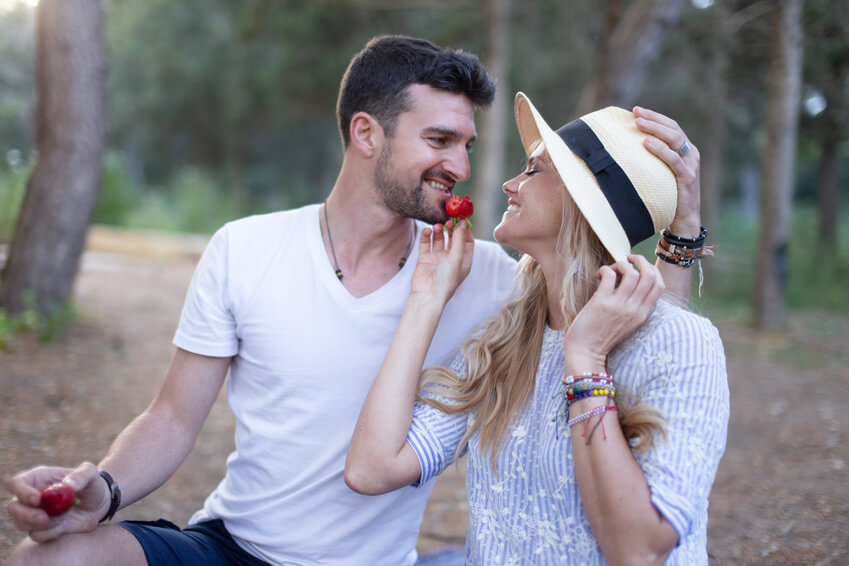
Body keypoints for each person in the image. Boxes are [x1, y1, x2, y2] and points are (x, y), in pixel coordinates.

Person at [3, 34, 701, 566]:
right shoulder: (245, 248)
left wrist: (683, 224)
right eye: (438, 139)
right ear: (366, 133)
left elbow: (641, 330)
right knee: (58, 558)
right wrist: (104, 489)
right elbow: (172, 418)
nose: (458, 165)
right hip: (232, 543)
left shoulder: (488, 278)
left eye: (465, 144)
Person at [345, 92, 729, 565]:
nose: (510, 184)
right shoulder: (508, 341)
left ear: (583, 201)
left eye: (533, 169)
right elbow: (371, 469)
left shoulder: (685, 343)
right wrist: (426, 299)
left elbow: (637, 551)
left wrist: (584, 361)